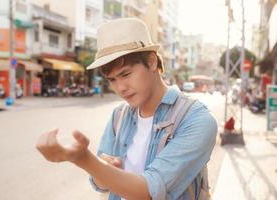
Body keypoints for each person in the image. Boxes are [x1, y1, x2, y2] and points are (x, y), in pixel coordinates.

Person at [36, 18, 218, 200]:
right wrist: (104, 169)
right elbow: (99, 184)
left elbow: (150, 191)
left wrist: (84, 159)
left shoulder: (196, 120)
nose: (120, 88)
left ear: (152, 62)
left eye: (126, 74)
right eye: (112, 79)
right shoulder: (119, 116)